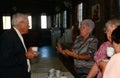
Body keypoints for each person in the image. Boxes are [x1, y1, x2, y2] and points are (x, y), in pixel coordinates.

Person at [0, 13, 39, 78]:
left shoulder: (16, 34)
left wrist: (27, 50)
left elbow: (16, 52)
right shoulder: (8, 37)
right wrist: (25, 56)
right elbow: (4, 60)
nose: (29, 26)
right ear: (20, 24)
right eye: (28, 23)